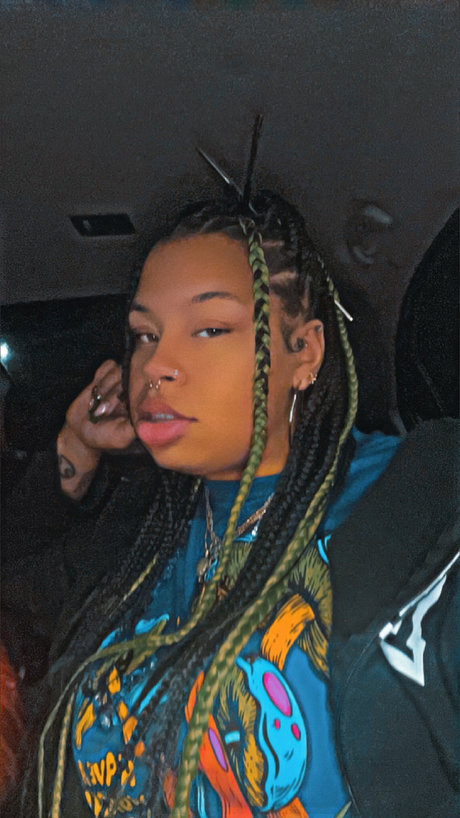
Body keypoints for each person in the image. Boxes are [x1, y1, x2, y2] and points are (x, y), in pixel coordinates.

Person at [4, 191, 458, 818]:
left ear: (304, 353)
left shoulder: (417, 502)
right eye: (145, 334)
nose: (156, 364)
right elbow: (19, 592)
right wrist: (75, 446)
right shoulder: (142, 531)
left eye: (210, 328)